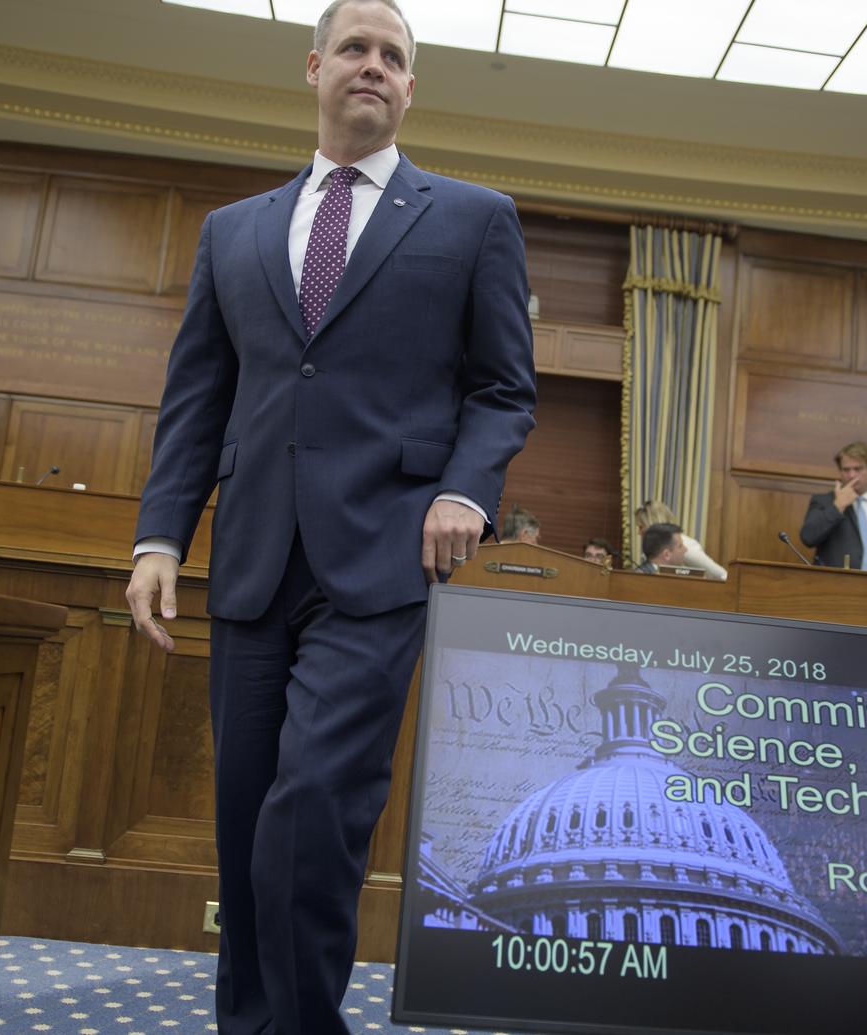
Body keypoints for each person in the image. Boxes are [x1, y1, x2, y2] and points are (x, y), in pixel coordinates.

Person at [123, 2, 537, 1032]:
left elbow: (502, 389)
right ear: (314, 69)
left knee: (313, 812)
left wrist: (462, 492)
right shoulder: (235, 231)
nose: (373, 66)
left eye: (393, 58)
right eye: (355, 49)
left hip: (381, 561)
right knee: (246, 815)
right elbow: (196, 401)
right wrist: (159, 537)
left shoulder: (472, 218)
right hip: (254, 563)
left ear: (409, 90)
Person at [799, 441, 867, 573]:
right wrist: (837, 506)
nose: (851, 475)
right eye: (846, 470)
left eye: (858, 469)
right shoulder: (824, 502)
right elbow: (808, 538)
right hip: (836, 587)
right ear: (840, 472)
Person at [633, 500, 727, 580]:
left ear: (652, 523)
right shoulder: (656, 547)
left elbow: (721, 575)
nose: (639, 532)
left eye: (641, 527)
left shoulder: (684, 545)